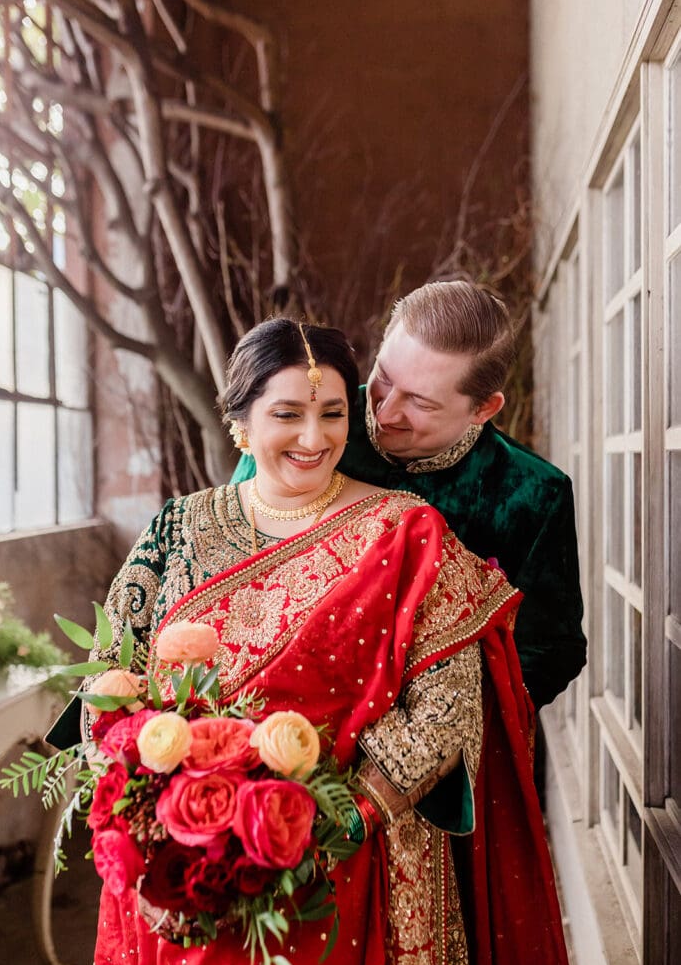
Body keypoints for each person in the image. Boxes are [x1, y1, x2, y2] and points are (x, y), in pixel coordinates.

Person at [77, 320, 573, 965]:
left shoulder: (406, 531)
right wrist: (148, 817)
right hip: (180, 872)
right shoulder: (177, 528)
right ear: (241, 418)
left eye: (333, 414)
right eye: (287, 414)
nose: (314, 437)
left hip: (343, 869)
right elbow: (109, 678)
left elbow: (445, 711)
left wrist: (321, 831)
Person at [232, 282, 587, 712]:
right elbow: (233, 563)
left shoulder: (535, 494)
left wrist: (443, 721)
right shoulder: (306, 428)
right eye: (383, 377)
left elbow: (552, 649)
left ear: (484, 408)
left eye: (420, 402)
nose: (384, 413)